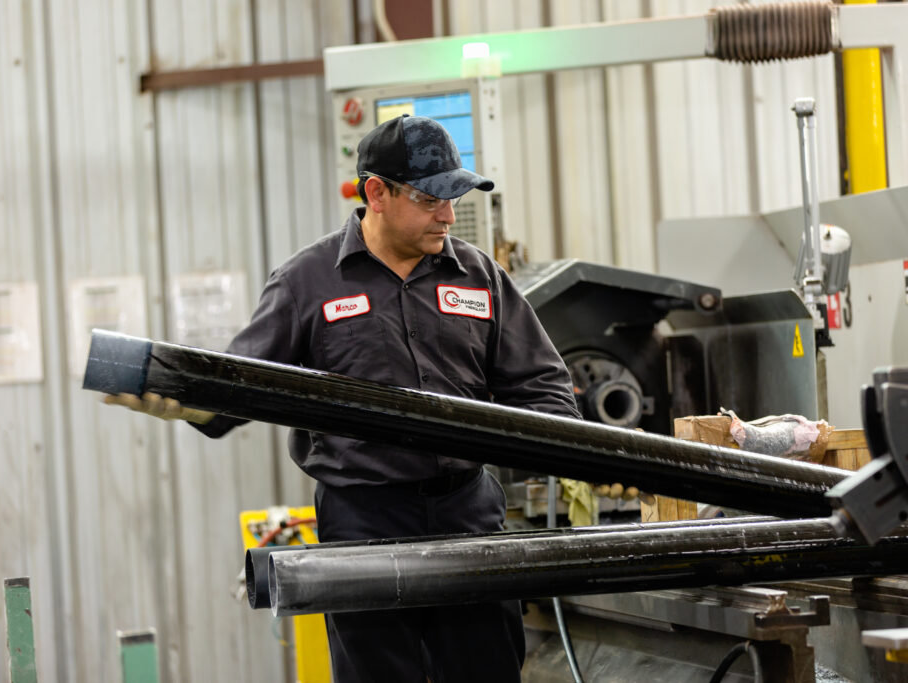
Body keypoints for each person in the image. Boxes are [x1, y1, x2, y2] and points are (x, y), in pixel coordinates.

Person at [106, 114, 580, 682]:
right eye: (432, 200)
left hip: (467, 514)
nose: (449, 216)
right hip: (363, 520)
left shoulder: (478, 276)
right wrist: (187, 396)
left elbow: (543, 385)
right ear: (377, 193)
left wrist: (576, 457)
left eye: (453, 200)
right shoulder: (306, 282)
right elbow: (240, 384)